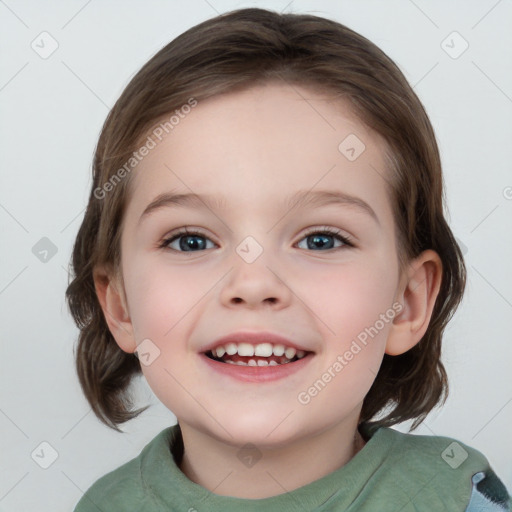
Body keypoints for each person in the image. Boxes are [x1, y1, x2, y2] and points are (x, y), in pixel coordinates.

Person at [66, 7, 511, 511]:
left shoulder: (451, 495)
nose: (254, 283)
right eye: (190, 241)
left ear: (406, 303)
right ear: (120, 305)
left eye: (321, 240)